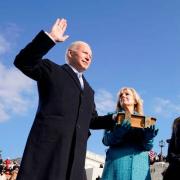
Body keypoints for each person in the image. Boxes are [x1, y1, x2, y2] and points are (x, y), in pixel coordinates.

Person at [14, 18, 115, 180]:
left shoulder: (89, 90)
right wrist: (50, 38)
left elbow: (92, 120)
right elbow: (23, 62)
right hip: (48, 152)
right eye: (84, 52)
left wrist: (114, 119)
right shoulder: (51, 70)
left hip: (75, 159)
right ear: (70, 53)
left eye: (91, 55)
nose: (89, 57)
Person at [101, 87, 158, 180]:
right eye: (121, 95)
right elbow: (105, 140)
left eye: (127, 94)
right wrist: (117, 133)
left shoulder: (145, 120)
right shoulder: (112, 117)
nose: (123, 95)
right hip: (117, 166)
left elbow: (148, 147)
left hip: (140, 169)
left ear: (135, 100)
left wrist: (149, 137)